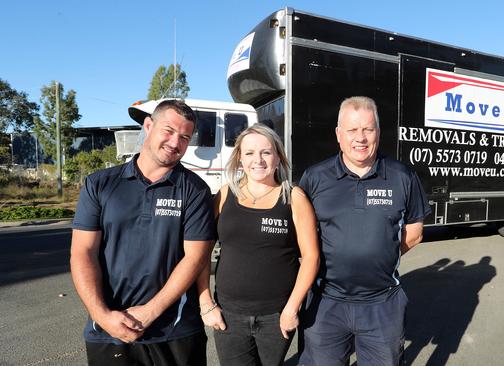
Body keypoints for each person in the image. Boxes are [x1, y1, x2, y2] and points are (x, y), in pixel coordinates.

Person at [70, 99, 215, 366]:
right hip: (108, 330)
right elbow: (83, 252)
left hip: (176, 330)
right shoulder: (100, 183)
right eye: (168, 131)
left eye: (184, 137)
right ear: (149, 126)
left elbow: (195, 258)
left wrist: (149, 312)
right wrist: (102, 316)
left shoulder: (195, 190)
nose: (175, 142)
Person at [298, 96, 432, 365]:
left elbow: (415, 231)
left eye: (368, 129)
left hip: (382, 304)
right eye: (352, 130)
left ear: (378, 133)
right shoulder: (314, 178)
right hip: (326, 303)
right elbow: (303, 236)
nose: (360, 138)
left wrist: (380, 255)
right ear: (338, 134)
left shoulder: (402, 176)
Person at [197, 123, 320, 366]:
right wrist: (206, 303)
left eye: (266, 152)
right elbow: (201, 252)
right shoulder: (224, 195)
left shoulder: (294, 197)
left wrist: (291, 309)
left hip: (276, 315)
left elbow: (311, 257)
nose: (258, 160)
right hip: (228, 314)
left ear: (278, 156)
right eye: (250, 153)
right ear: (240, 158)